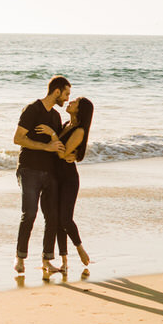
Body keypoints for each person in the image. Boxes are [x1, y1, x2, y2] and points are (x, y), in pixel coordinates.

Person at [13, 75, 70, 275]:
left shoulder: (56, 117)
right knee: (29, 214)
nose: (67, 99)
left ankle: (47, 261)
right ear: (56, 91)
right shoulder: (32, 109)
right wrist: (45, 147)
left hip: (50, 173)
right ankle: (20, 258)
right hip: (29, 169)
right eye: (66, 94)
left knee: (52, 217)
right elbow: (18, 139)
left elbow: (58, 146)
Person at [55, 97, 93, 274]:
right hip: (56, 177)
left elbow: (62, 155)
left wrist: (50, 134)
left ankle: (79, 248)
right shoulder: (65, 125)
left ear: (80, 110)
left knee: (65, 219)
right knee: (57, 221)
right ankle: (64, 260)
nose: (69, 102)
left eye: (74, 102)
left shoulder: (79, 130)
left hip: (69, 179)